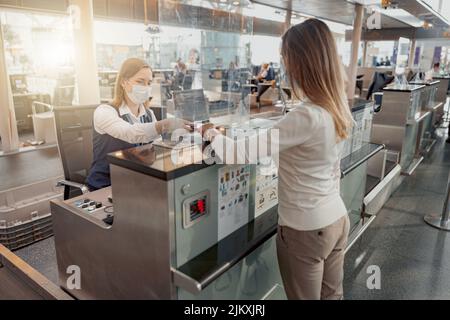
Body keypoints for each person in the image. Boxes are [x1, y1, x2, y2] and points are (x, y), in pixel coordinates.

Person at [199, 19, 353, 300]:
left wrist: (209, 132)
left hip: (305, 229)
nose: (286, 68)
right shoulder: (337, 106)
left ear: (300, 63)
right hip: (336, 219)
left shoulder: (306, 116)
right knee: (333, 297)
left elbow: (238, 153)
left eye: (287, 59)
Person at [86, 58, 190, 191]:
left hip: (136, 183)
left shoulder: (149, 114)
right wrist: (164, 125)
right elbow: (130, 133)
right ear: (124, 82)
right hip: (106, 185)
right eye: (140, 81)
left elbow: (156, 150)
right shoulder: (105, 112)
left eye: (149, 82)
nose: (145, 87)